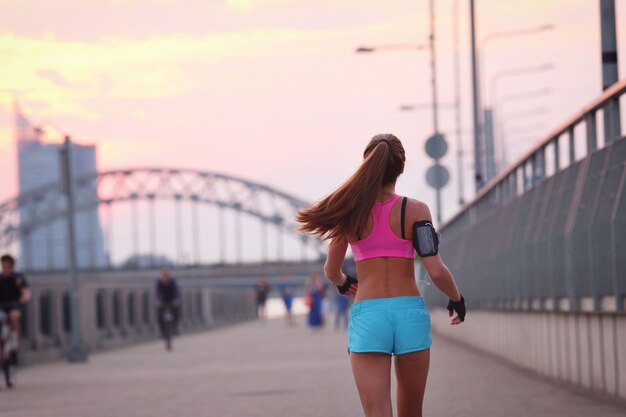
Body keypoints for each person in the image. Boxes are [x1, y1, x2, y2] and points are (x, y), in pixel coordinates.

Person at [297, 134, 466, 417]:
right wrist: (456, 298)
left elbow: (331, 270)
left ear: (367, 165)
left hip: (369, 315)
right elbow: (435, 270)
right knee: (412, 412)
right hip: (409, 314)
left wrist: (343, 282)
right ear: (400, 168)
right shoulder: (416, 210)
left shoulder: (349, 213)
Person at [0, 254, 32, 365]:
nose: (5, 269)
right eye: (3, 266)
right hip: (1, 306)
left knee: (14, 316)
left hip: (14, 305)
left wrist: (25, 298)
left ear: (12, 267)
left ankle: (14, 345)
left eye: (7, 266)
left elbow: (26, 292)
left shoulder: (18, 278)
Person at [155, 268, 181, 336]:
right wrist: (157, 299)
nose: (165, 277)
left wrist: (176, 299)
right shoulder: (159, 282)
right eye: (163, 276)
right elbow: (157, 292)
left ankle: (175, 326)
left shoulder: (172, 281)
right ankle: (162, 331)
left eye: (166, 276)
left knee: (176, 312)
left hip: (172, 299)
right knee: (160, 315)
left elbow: (176, 291)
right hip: (163, 300)